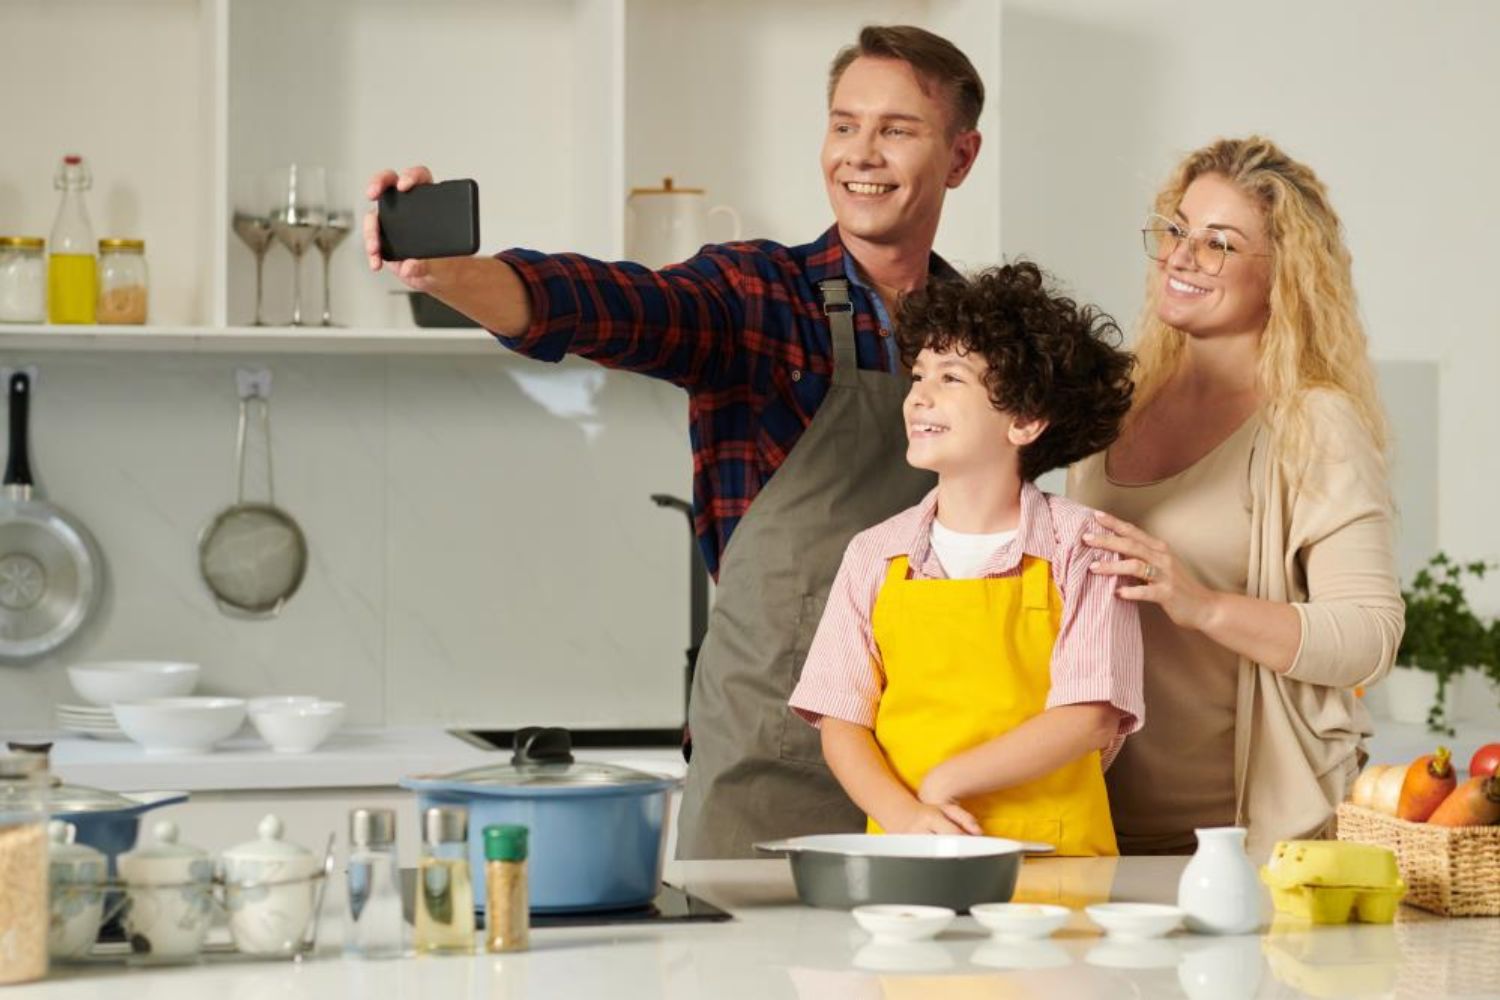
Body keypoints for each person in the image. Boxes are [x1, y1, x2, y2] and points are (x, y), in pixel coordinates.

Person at [364, 26, 986, 858]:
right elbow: (614, 305)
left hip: (950, 769)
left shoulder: (992, 334)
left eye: (897, 129)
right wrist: (455, 276)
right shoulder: (758, 296)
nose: (860, 154)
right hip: (772, 770)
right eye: (844, 125)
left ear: (960, 156)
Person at [1067, 136, 1405, 859]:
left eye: (1220, 243)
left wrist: (1204, 605)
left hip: (1241, 847)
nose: (1183, 256)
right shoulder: (1113, 402)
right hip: (1092, 828)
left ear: (1285, 273)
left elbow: (1370, 636)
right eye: (1178, 229)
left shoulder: (1312, 422)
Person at [788, 263, 1142, 855]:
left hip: (1054, 867)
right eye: (919, 374)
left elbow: (1091, 717)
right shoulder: (874, 555)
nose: (919, 394)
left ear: (1025, 421)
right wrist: (902, 815)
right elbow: (840, 720)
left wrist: (949, 781)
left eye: (951, 377)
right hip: (910, 858)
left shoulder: (1082, 548)